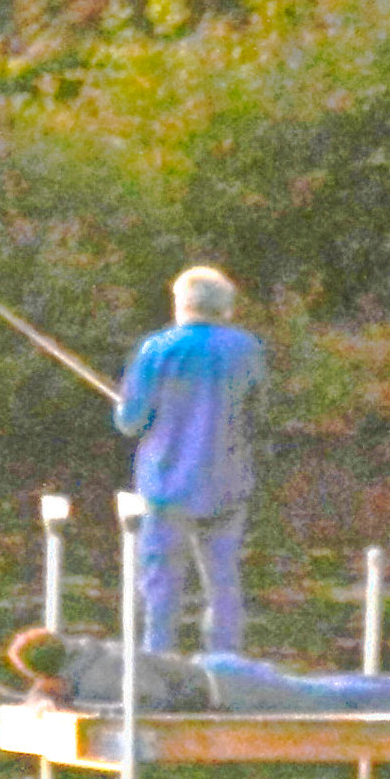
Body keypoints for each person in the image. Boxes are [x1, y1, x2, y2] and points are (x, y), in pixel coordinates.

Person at [115, 265, 265, 654]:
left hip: (166, 485)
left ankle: (157, 666)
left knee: (161, 587)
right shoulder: (247, 349)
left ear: (181, 304)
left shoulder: (158, 349)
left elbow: (131, 422)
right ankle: (226, 667)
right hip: (229, 482)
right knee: (224, 584)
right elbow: (258, 413)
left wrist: (125, 406)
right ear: (226, 307)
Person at [5, 627, 390, 713]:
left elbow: (153, 698)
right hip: (216, 672)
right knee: (324, 689)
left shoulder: (99, 674)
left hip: (228, 688)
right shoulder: (83, 656)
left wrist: (93, 710)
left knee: (331, 700)